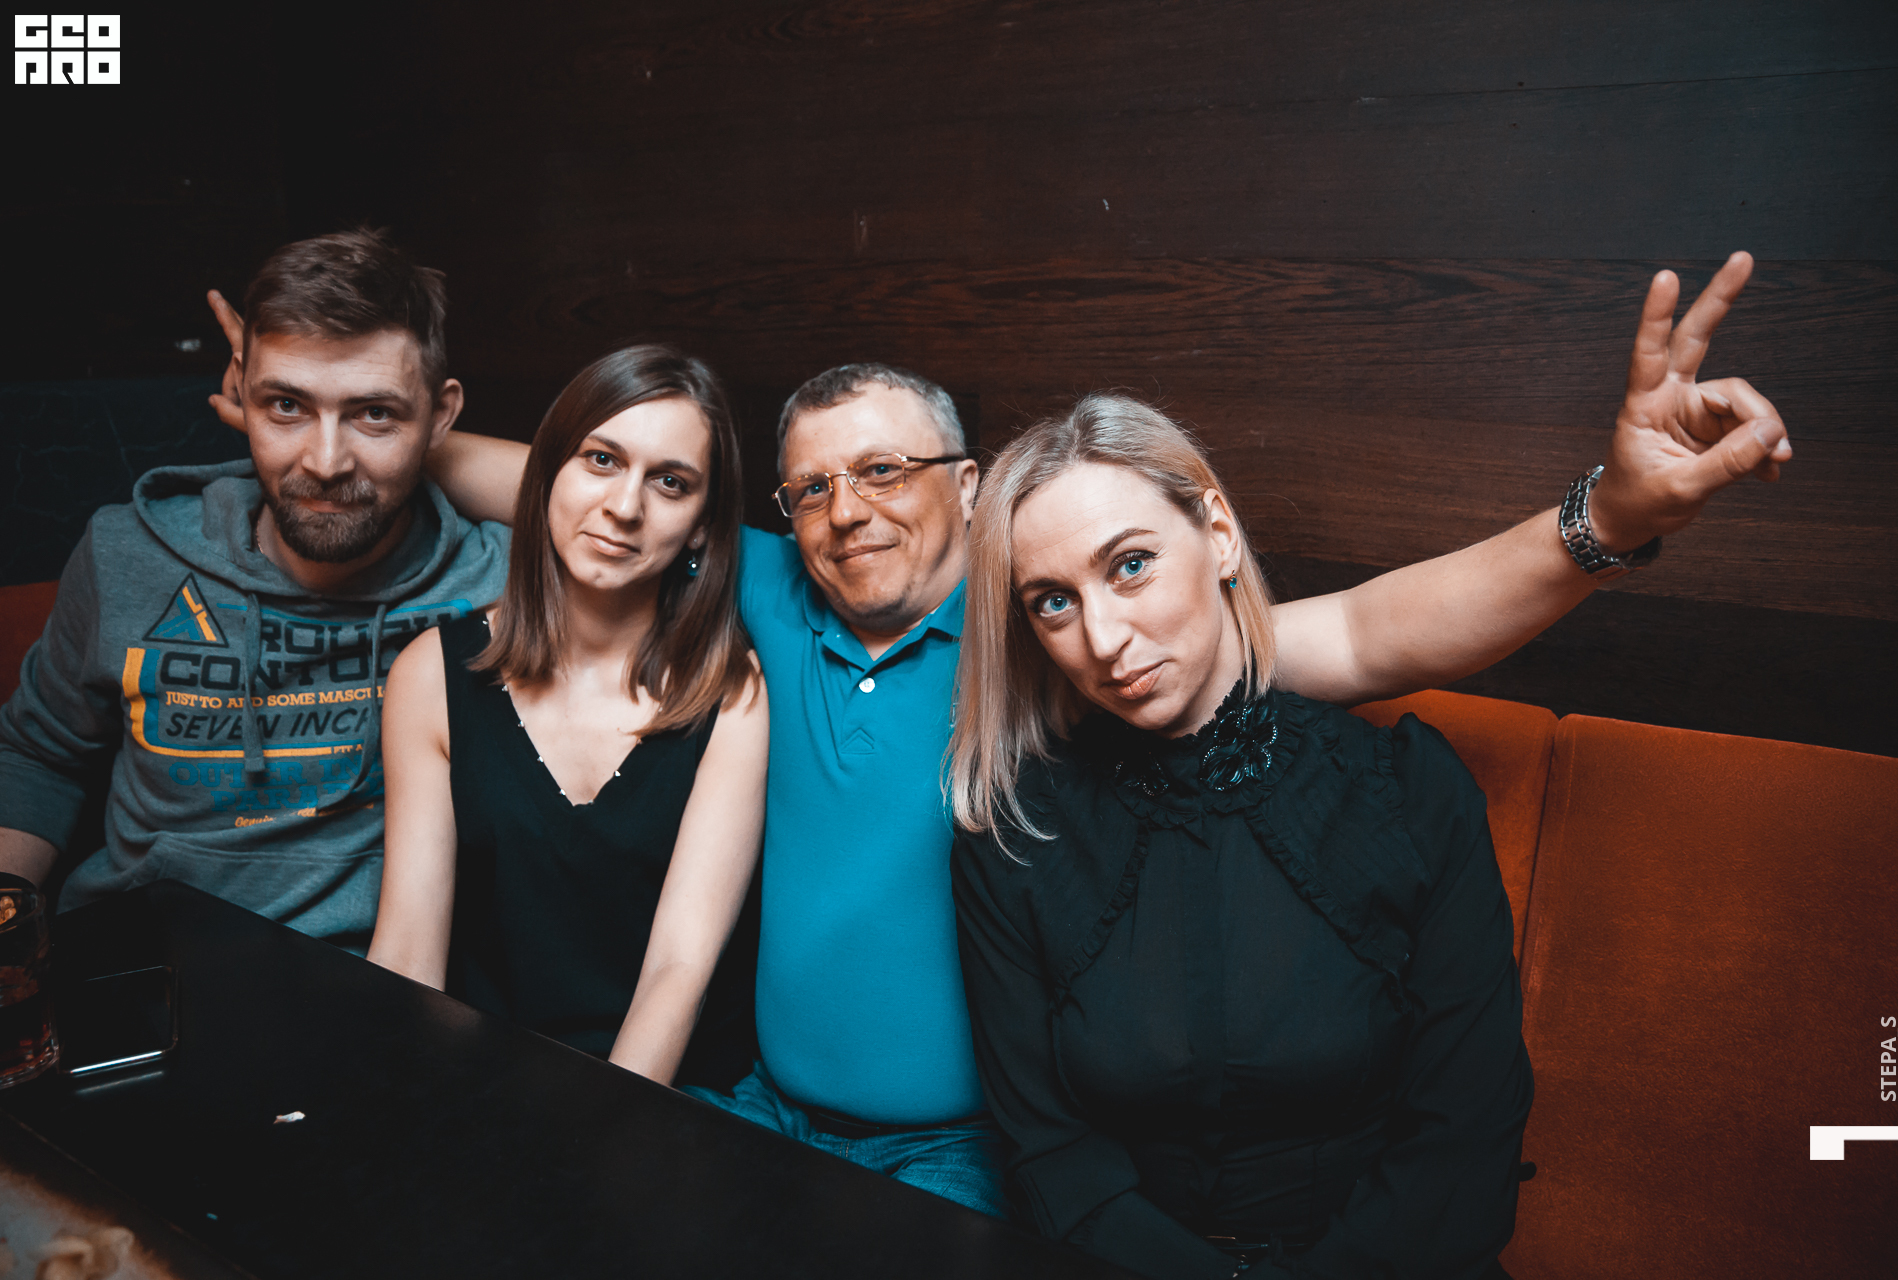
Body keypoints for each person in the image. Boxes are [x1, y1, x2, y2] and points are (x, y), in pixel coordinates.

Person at [292, 253, 1789, 1215]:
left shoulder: (1052, 632)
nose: (847, 512)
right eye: (812, 489)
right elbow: (570, 480)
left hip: (974, 1155)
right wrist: (364, 432)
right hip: (759, 1108)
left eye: (887, 471)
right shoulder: (758, 586)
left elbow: (1377, 632)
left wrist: (1610, 516)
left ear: (970, 481)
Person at [949, 395, 1533, 1278]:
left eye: (1132, 565)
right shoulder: (1015, 833)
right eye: (1055, 602)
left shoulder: (1409, 793)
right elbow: (1051, 1157)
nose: (1103, 638)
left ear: (1218, 536)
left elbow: (1464, 1143)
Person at [0, 229, 508, 950]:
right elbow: (38, 755)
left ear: (443, 415)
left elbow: (668, 529)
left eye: (375, 413)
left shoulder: (496, 580)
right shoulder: (127, 553)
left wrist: (407, 427)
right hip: (148, 960)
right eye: (287, 406)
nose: (325, 462)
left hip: (378, 981)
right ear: (242, 390)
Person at [364, 345, 767, 1089]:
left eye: (671, 482)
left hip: (667, 1096)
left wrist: (600, 1132)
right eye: (601, 460)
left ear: (701, 527)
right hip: (482, 1079)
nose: (625, 507)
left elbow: (679, 968)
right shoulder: (431, 674)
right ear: (548, 472)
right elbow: (408, 951)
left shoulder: (731, 690)